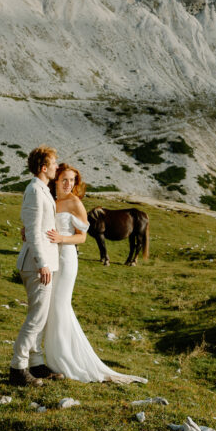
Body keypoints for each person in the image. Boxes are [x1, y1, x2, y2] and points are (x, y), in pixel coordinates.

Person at [43, 163, 147, 384]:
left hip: (66, 256)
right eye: (64, 179)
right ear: (55, 179)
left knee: (61, 305)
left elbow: (81, 236)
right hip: (51, 258)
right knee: (52, 307)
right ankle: (53, 359)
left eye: (72, 180)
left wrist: (62, 239)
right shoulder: (50, 200)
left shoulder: (74, 203)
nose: (68, 184)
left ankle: (67, 362)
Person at [9, 146, 65, 386]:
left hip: (42, 262)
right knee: (36, 318)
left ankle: (37, 363)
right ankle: (18, 367)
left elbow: (35, 226)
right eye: (54, 164)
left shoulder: (42, 189)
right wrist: (42, 263)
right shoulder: (34, 190)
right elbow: (32, 230)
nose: (57, 167)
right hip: (36, 264)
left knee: (39, 317)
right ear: (43, 168)